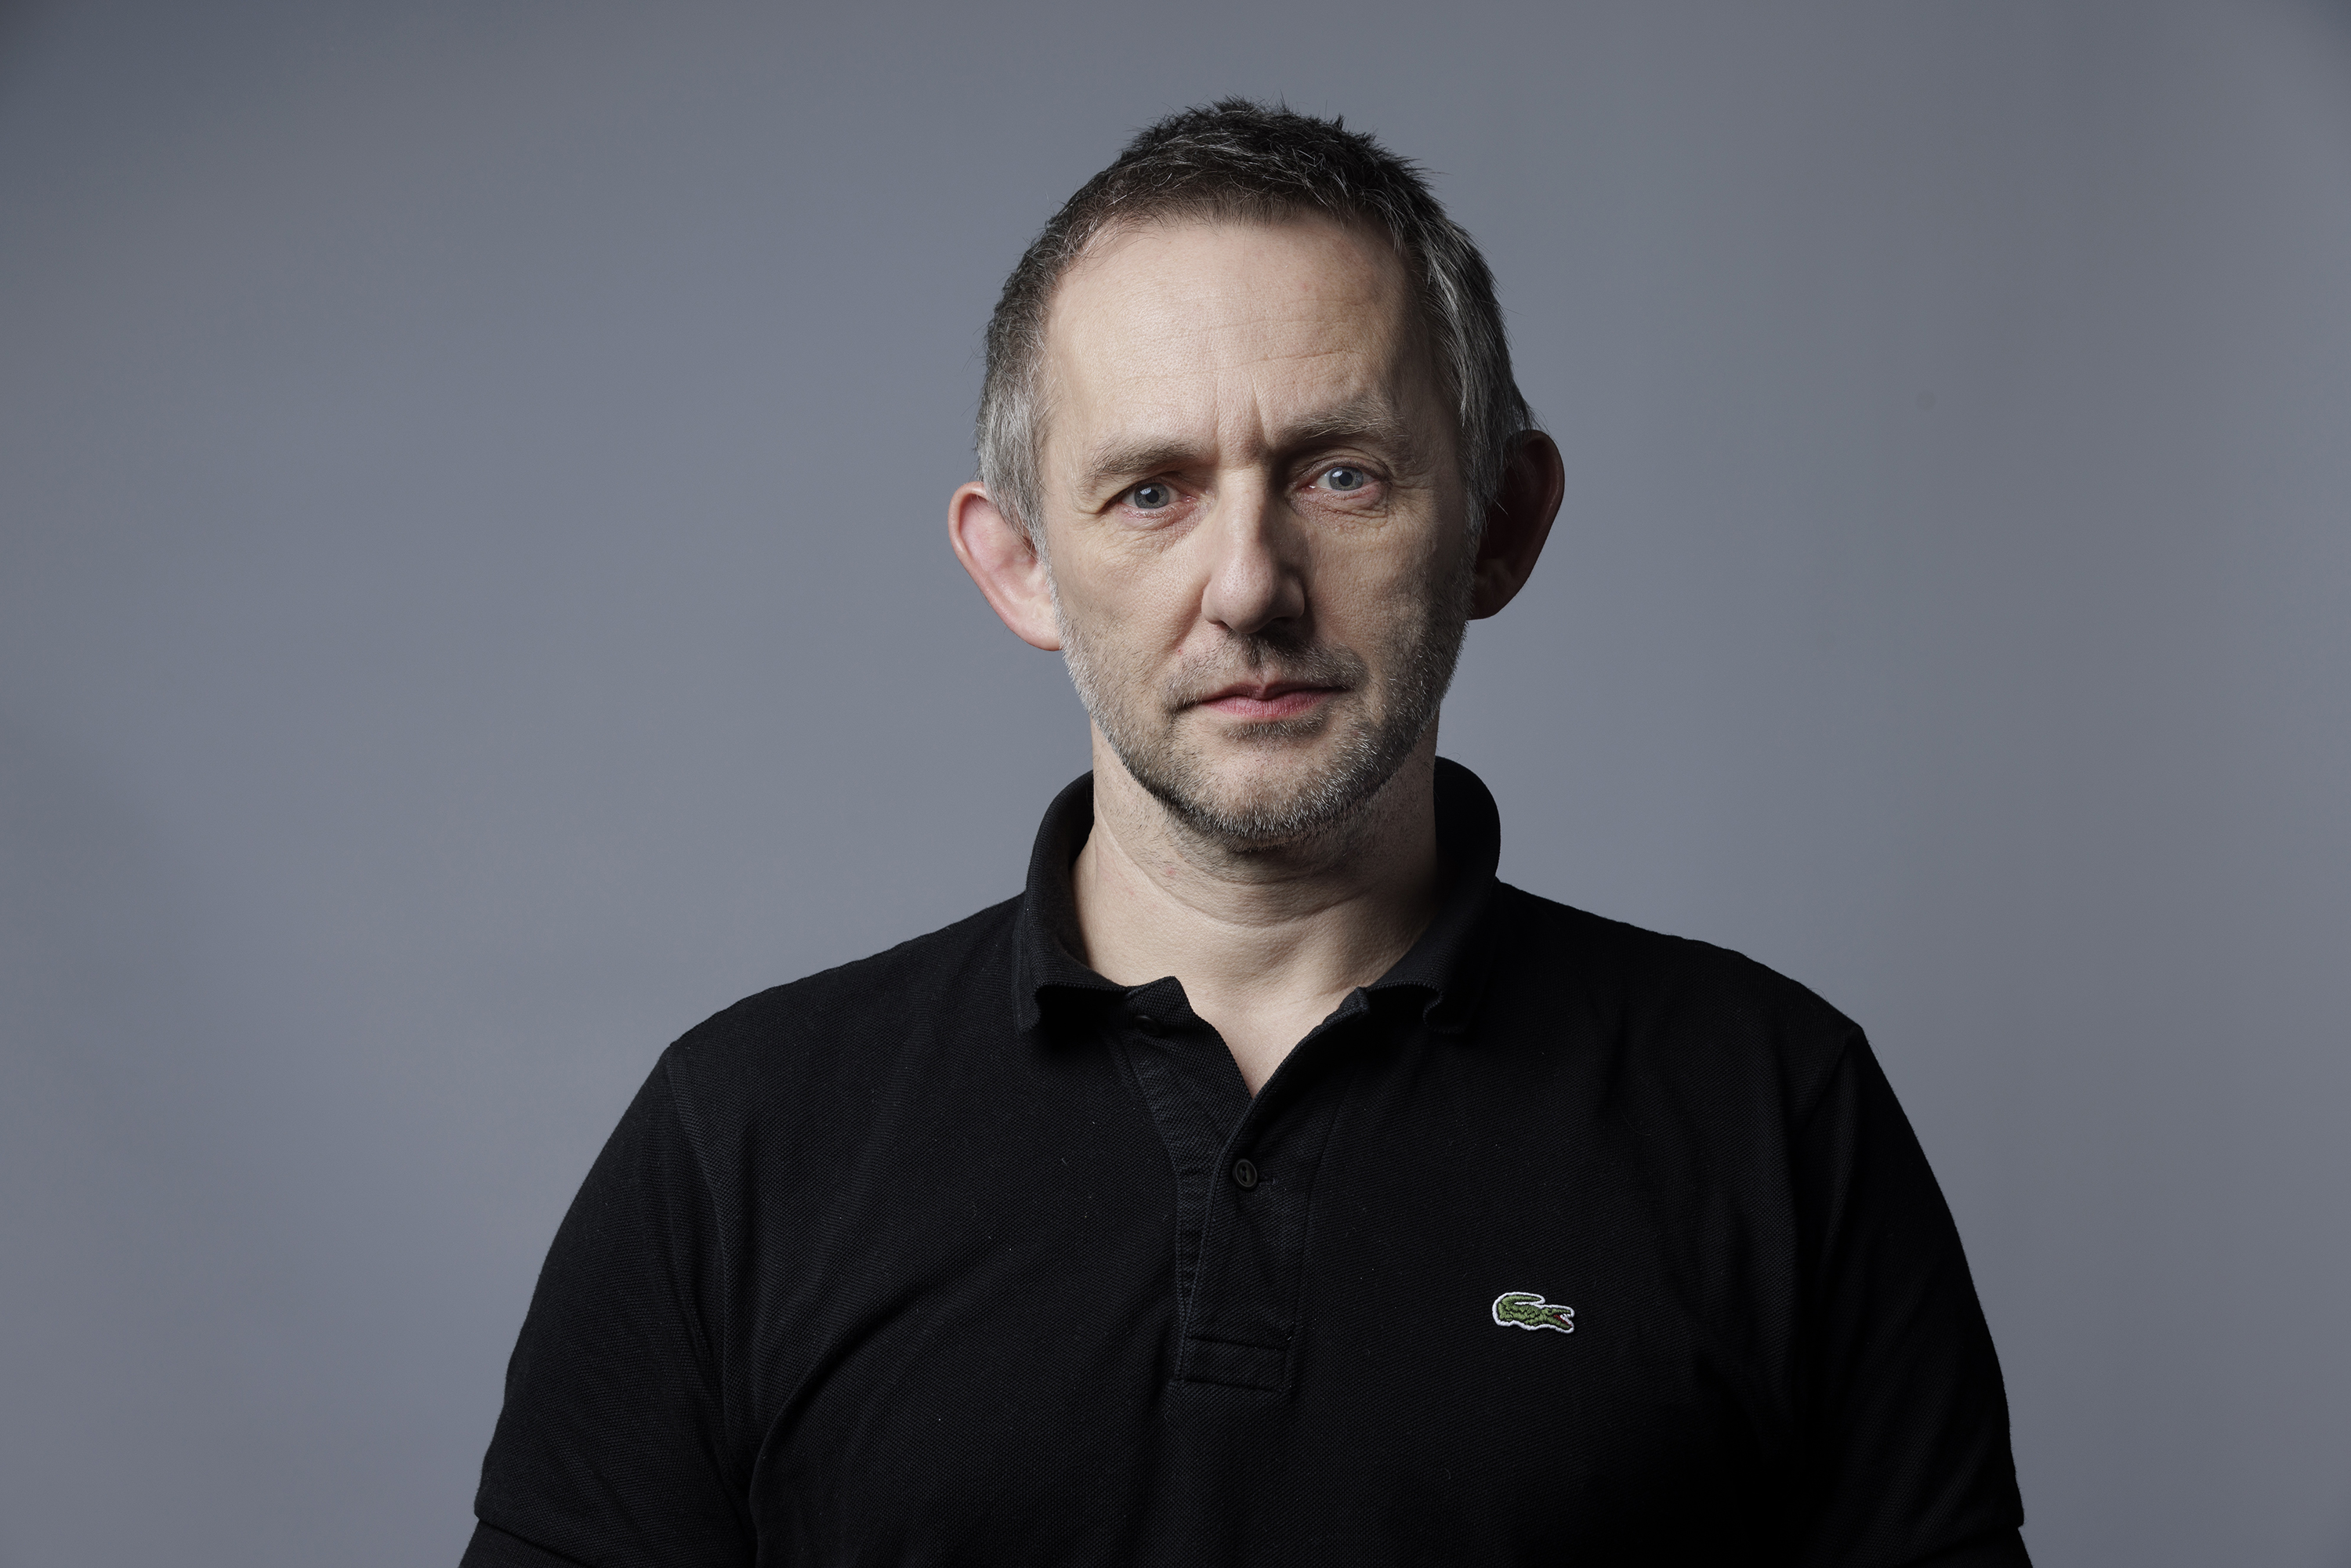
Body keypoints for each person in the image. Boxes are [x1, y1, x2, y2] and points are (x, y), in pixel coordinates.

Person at [462, 100, 2029, 1567]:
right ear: (1020, 566)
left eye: (1341, 474)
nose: (1250, 587)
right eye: (1152, 491)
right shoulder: (740, 1143)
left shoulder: (1776, 1114)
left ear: (1499, 523)